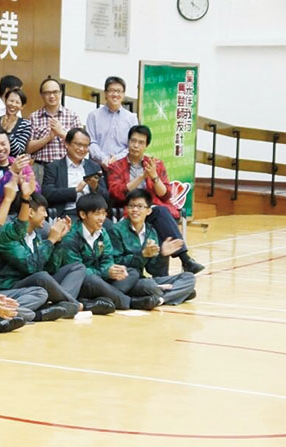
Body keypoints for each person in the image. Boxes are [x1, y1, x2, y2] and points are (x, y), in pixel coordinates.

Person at [106, 125, 204, 274]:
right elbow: (117, 193)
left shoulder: (155, 164)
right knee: (161, 215)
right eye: (133, 141)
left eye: (140, 142)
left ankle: (165, 275)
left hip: (151, 210)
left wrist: (154, 176)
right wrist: (142, 177)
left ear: (146, 145)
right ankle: (184, 260)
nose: (136, 145)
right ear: (128, 142)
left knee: (160, 218)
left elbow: (165, 195)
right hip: (131, 210)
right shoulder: (116, 166)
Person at [55, 193, 163, 313]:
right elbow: (77, 271)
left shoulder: (102, 233)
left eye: (104, 213)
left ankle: (103, 299)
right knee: (92, 280)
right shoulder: (72, 237)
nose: (102, 218)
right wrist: (106, 272)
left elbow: (108, 259)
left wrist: (113, 270)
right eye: (97, 214)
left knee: (132, 272)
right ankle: (130, 302)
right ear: (83, 214)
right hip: (83, 282)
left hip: (102, 280)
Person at [0, 192, 91, 317]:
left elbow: (51, 268)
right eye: (43, 211)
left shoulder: (37, 235)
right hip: (13, 284)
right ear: (30, 212)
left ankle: (63, 305)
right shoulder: (9, 234)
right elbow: (30, 266)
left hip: (37, 280)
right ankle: (75, 305)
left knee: (77, 267)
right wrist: (50, 240)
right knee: (41, 277)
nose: (46, 215)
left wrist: (58, 241)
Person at [110, 189, 197, 306]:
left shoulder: (151, 231)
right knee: (149, 286)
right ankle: (174, 293)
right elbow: (116, 262)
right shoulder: (116, 230)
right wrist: (142, 255)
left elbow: (153, 270)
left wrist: (162, 255)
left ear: (149, 211)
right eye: (131, 206)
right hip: (127, 280)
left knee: (189, 277)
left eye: (140, 206)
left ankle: (160, 299)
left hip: (144, 279)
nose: (135, 210)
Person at [42, 127, 108, 221]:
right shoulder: (53, 167)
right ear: (67, 144)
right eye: (78, 144)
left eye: (86, 146)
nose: (82, 149)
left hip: (92, 213)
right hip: (67, 213)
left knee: (112, 230)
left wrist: (95, 188)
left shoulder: (94, 167)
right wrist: (75, 190)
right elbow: (47, 194)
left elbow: (106, 197)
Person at [27, 77, 83, 176]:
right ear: (41, 95)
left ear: (60, 93)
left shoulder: (72, 116)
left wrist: (61, 133)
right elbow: (28, 148)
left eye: (55, 92)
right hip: (40, 168)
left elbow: (81, 145)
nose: (52, 96)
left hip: (66, 168)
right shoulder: (33, 117)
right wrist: (49, 137)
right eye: (47, 93)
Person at [84, 76, 138, 165]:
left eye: (119, 91)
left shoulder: (131, 118)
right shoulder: (93, 116)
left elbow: (133, 144)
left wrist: (117, 158)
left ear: (124, 94)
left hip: (123, 168)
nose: (115, 94)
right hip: (97, 167)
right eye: (112, 90)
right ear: (105, 93)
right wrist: (104, 159)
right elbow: (90, 142)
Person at [0, 87, 32, 158]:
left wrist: (8, 132)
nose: (13, 104)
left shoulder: (25, 125)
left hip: (14, 163)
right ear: (5, 101)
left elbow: (18, 151)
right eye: (11, 101)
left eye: (17, 102)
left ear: (22, 106)